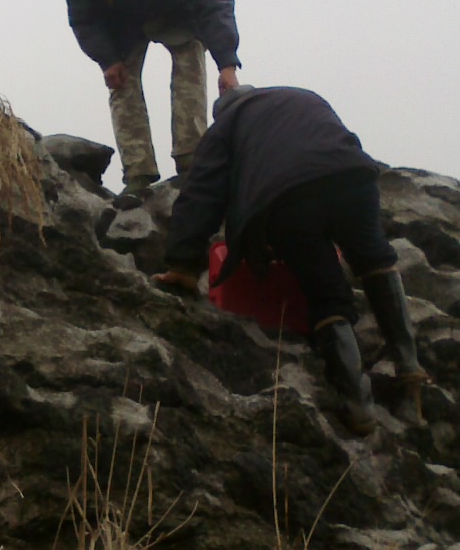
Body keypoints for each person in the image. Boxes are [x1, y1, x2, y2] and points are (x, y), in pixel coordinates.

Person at [152, 84, 426, 435]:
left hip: (289, 200)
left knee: (327, 296)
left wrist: (183, 263)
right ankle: (410, 367)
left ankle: (358, 405)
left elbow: (202, 192)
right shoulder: (303, 96)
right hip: (353, 177)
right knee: (375, 261)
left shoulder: (226, 124)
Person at [63, 0, 241, 194]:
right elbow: (82, 10)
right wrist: (107, 58)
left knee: (191, 58)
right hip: (120, 18)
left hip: (175, 10)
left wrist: (227, 63)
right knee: (121, 81)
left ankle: (191, 157)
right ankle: (138, 173)